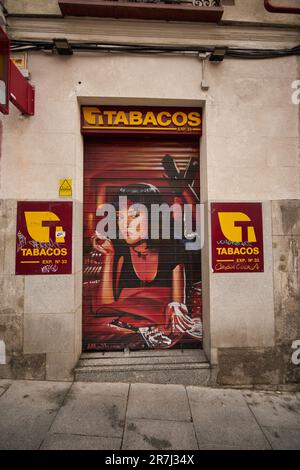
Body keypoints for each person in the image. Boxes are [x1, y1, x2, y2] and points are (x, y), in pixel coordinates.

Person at [91, 183, 201, 349]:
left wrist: (176, 307)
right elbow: (104, 307)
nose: (125, 224)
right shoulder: (118, 252)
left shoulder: (173, 252)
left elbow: (177, 305)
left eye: (134, 215)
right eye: (120, 217)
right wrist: (109, 255)